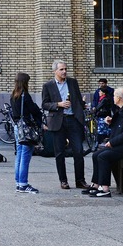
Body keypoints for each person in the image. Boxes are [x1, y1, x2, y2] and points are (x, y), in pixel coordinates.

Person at [84, 88, 123, 197]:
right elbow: (119, 127)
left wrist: (112, 142)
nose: (113, 98)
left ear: (118, 98)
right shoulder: (122, 109)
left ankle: (105, 189)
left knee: (103, 156)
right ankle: (96, 184)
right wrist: (111, 122)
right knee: (96, 155)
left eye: (114, 96)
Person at [42, 60, 89, 190]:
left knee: (78, 151)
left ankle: (80, 180)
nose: (64, 72)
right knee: (59, 153)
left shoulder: (72, 82)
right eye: (61, 69)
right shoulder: (48, 86)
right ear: (55, 71)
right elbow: (45, 104)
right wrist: (58, 104)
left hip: (73, 120)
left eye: (65, 69)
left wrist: (82, 106)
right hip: (58, 121)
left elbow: (78, 99)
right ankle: (63, 180)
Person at [12, 72, 43, 193]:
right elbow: (34, 110)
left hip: (17, 128)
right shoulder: (25, 95)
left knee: (19, 156)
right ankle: (23, 184)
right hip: (26, 128)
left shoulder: (13, 95)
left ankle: (19, 182)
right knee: (25, 156)